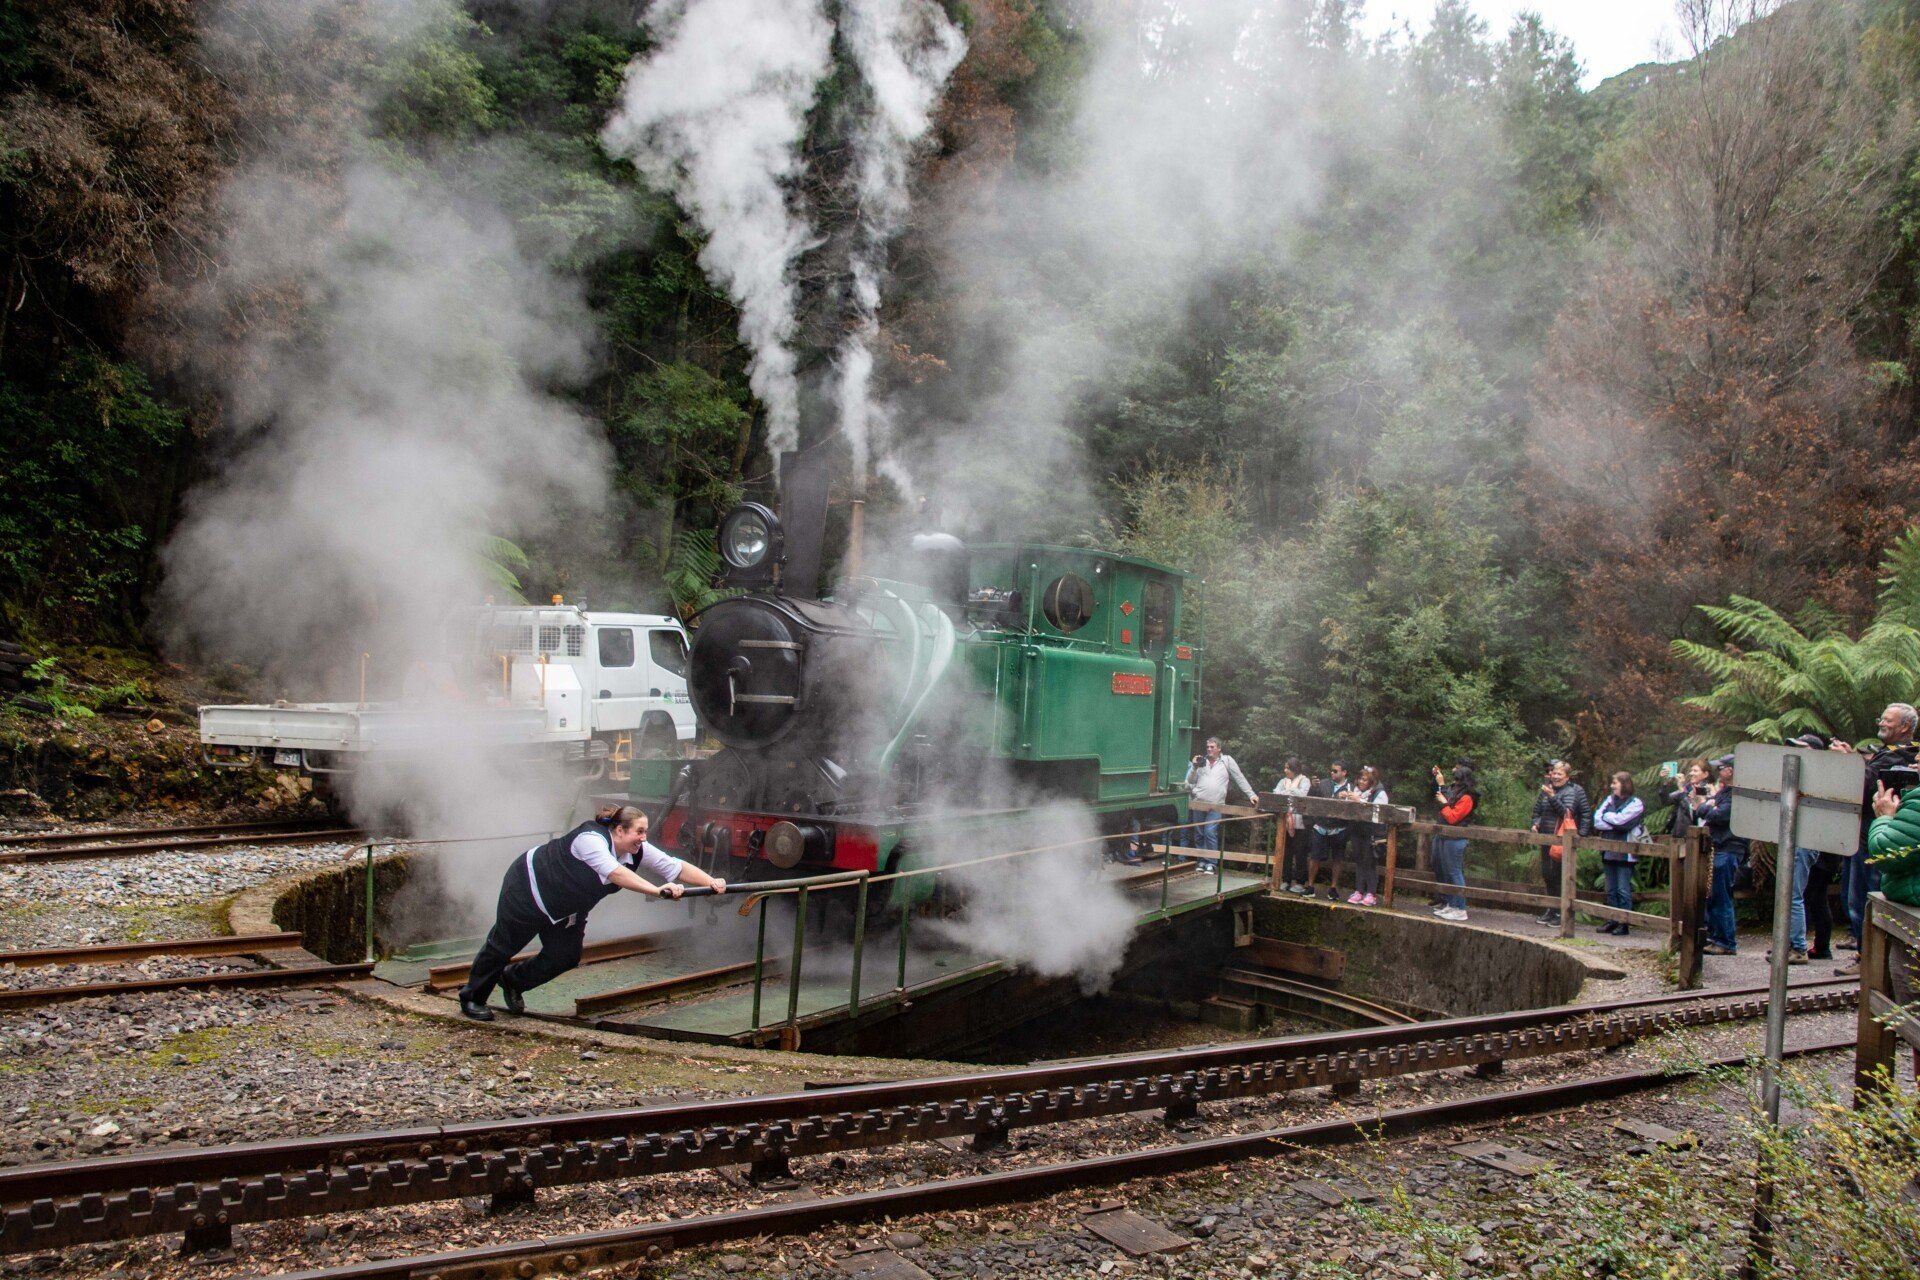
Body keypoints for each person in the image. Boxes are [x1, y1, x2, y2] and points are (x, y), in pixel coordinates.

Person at [457, 805, 726, 1021]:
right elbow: (615, 873)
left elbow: (673, 866)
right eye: (639, 831)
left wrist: (711, 881)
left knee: (566, 955)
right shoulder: (590, 840)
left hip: (567, 906)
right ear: (619, 830)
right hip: (530, 888)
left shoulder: (636, 850)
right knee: (504, 944)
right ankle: (472, 997)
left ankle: (512, 981)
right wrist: (657, 891)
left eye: (645, 832)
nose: (644, 838)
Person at [1830, 703, 1920, 973]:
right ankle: (1867, 955)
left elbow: (1867, 784)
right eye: (1881, 718)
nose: (1881, 723)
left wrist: (1850, 764)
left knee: (1868, 900)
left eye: (1888, 720)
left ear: (1905, 726)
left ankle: (1869, 960)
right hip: (1866, 834)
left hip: (1881, 835)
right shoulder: (1887, 753)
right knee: (1855, 899)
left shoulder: (1903, 754)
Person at [1529, 760, 1592, 927]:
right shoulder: (1546, 790)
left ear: (1567, 777)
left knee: (1560, 876)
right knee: (1548, 875)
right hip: (1546, 838)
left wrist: (1552, 796)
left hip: (1563, 840)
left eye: (1559, 774)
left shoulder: (1573, 791)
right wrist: (1535, 823)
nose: (1555, 776)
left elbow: (1566, 813)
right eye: (1554, 773)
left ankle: (1561, 912)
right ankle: (1552, 908)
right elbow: (1537, 811)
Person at [1183, 737, 1259, 875]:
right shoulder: (1201, 761)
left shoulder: (1226, 761)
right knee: (1199, 834)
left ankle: (1211, 863)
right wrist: (1194, 767)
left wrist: (1251, 794)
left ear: (1219, 748)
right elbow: (1189, 782)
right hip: (1198, 803)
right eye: (1208, 747)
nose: (1209, 749)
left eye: (1212, 747)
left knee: (1209, 832)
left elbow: (1239, 777)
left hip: (1217, 805)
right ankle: (1201, 861)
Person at [1695, 754, 1747, 956]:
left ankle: (1726, 942)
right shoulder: (1724, 793)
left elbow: (1718, 815)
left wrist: (1706, 807)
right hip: (1718, 847)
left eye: (1720, 768)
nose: (1717, 772)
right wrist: (1707, 807)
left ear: (1730, 771)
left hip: (1729, 848)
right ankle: (1716, 937)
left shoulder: (1738, 795)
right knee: (1713, 896)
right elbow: (1707, 808)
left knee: (1722, 896)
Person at [1591, 771, 1645, 936]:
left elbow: (1623, 823)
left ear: (1624, 784)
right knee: (1611, 889)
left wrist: (1609, 817)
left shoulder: (1636, 803)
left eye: (1615, 783)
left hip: (1626, 852)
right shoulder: (1609, 800)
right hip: (1609, 849)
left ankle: (1624, 922)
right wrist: (1613, 820)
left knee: (1623, 889)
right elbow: (1597, 820)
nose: (1612, 786)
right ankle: (1612, 920)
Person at [1429, 762, 1476, 922]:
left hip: (1456, 838)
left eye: (1457, 780)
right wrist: (1440, 784)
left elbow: (1453, 817)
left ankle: (1460, 909)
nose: (1454, 782)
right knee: (1447, 872)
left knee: (1455, 873)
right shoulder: (1456, 793)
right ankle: (1451, 904)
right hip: (1446, 836)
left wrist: (1443, 803)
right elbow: (1448, 801)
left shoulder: (1468, 797)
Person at [1341, 765, 1389, 907]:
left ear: (1371, 782)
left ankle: (1371, 893)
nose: (1361, 782)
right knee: (1359, 861)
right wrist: (1344, 797)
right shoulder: (1355, 791)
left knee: (1370, 862)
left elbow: (1378, 811)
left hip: (1372, 833)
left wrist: (1359, 801)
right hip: (1357, 830)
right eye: (1360, 779)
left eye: (1365, 780)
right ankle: (1359, 891)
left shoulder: (1379, 793)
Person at [1306, 761, 1352, 900]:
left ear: (1344, 772)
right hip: (1321, 825)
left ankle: (1333, 888)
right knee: (1314, 857)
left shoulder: (1351, 787)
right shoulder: (1323, 783)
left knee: (1337, 859)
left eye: (1335, 771)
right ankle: (1310, 887)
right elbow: (1311, 800)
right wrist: (1313, 787)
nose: (1332, 773)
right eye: (1331, 770)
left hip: (1339, 828)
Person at [1274, 758, 1313, 893]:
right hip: (1285, 822)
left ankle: (1300, 882)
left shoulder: (1304, 780)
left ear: (1294, 769)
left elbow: (1302, 794)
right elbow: (1276, 793)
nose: (1285, 770)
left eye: (1288, 768)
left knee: (1300, 853)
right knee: (1286, 852)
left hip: (1300, 823)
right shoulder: (1282, 781)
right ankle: (1286, 880)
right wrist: (1292, 791)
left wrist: (1289, 791)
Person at [1664, 759, 1713, 837]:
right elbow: (1666, 801)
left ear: (1705, 774)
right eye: (1691, 770)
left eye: (1695, 771)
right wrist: (1665, 783)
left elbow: (1693, 812)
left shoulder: (1708, 790)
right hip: (1680, 835)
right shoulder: (1687, 787)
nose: (1691, 773)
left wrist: (1682, 789)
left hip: (1695, 836)